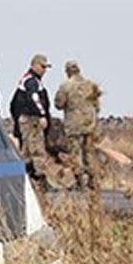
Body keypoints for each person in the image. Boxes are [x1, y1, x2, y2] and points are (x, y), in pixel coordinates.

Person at [53, 60, 103, 188]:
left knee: (75, 153)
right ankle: (93, 180)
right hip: (89, 124)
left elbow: (58, 104)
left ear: (67, 71)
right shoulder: (91, 85)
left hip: (73, 125)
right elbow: (97, 106)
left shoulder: (66, 86)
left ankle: (79, 180)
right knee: (89, 152)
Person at [9, 54, 52, 181]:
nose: (44, 70)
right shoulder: (31, 81)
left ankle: (25, 176)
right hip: (31, 120)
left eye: (46, 67)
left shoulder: (30, 80)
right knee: (37, 149)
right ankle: (39, 178)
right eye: (42, 66)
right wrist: (42, 115)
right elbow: (34, 98)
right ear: (34, 65)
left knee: (26, 150)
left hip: (26, 119)